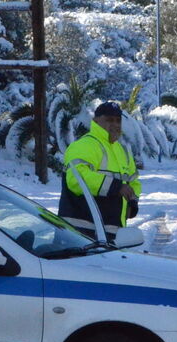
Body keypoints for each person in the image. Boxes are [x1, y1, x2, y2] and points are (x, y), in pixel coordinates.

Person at [58, 101, 142, 239]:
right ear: (96, 121)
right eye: (109, 120)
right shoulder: (84, 145)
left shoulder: (123, 151)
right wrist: (116, 187)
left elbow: (134, 183)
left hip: (112, 232)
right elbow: (76, 179)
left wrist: (132, 203)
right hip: (79, 234)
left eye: (118, 120)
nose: (115, 124)